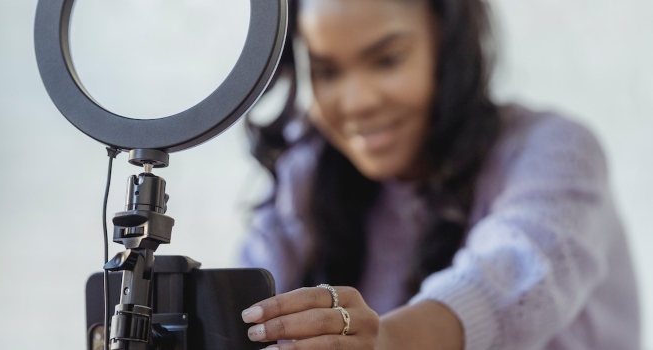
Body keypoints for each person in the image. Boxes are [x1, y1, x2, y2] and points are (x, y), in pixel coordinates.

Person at [238, 0, 640, 349]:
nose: (357, 102)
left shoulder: (555, 151)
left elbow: (509, 276)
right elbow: (247, 300)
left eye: (387, 60)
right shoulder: (307, 172)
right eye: (327, 72)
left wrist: (388, 341)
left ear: (448, 45)